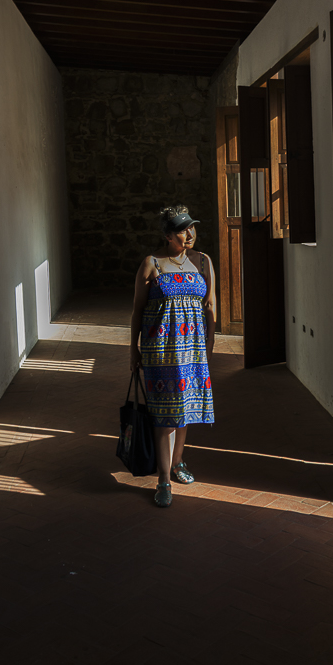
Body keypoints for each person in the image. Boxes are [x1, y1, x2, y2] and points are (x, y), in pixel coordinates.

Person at [130, 205, 216, 508]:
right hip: (161, 350)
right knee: (165, 415)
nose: (190, 234)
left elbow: (210, 307)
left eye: (192, 227)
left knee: (186, 409)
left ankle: (178, 460)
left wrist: (209, 345)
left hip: (193, 350)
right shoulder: (152, 264)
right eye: (182, 229)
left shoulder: (203, 262)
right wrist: (133, 349)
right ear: (168, 235)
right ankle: (164, 478)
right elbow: (138, 311)